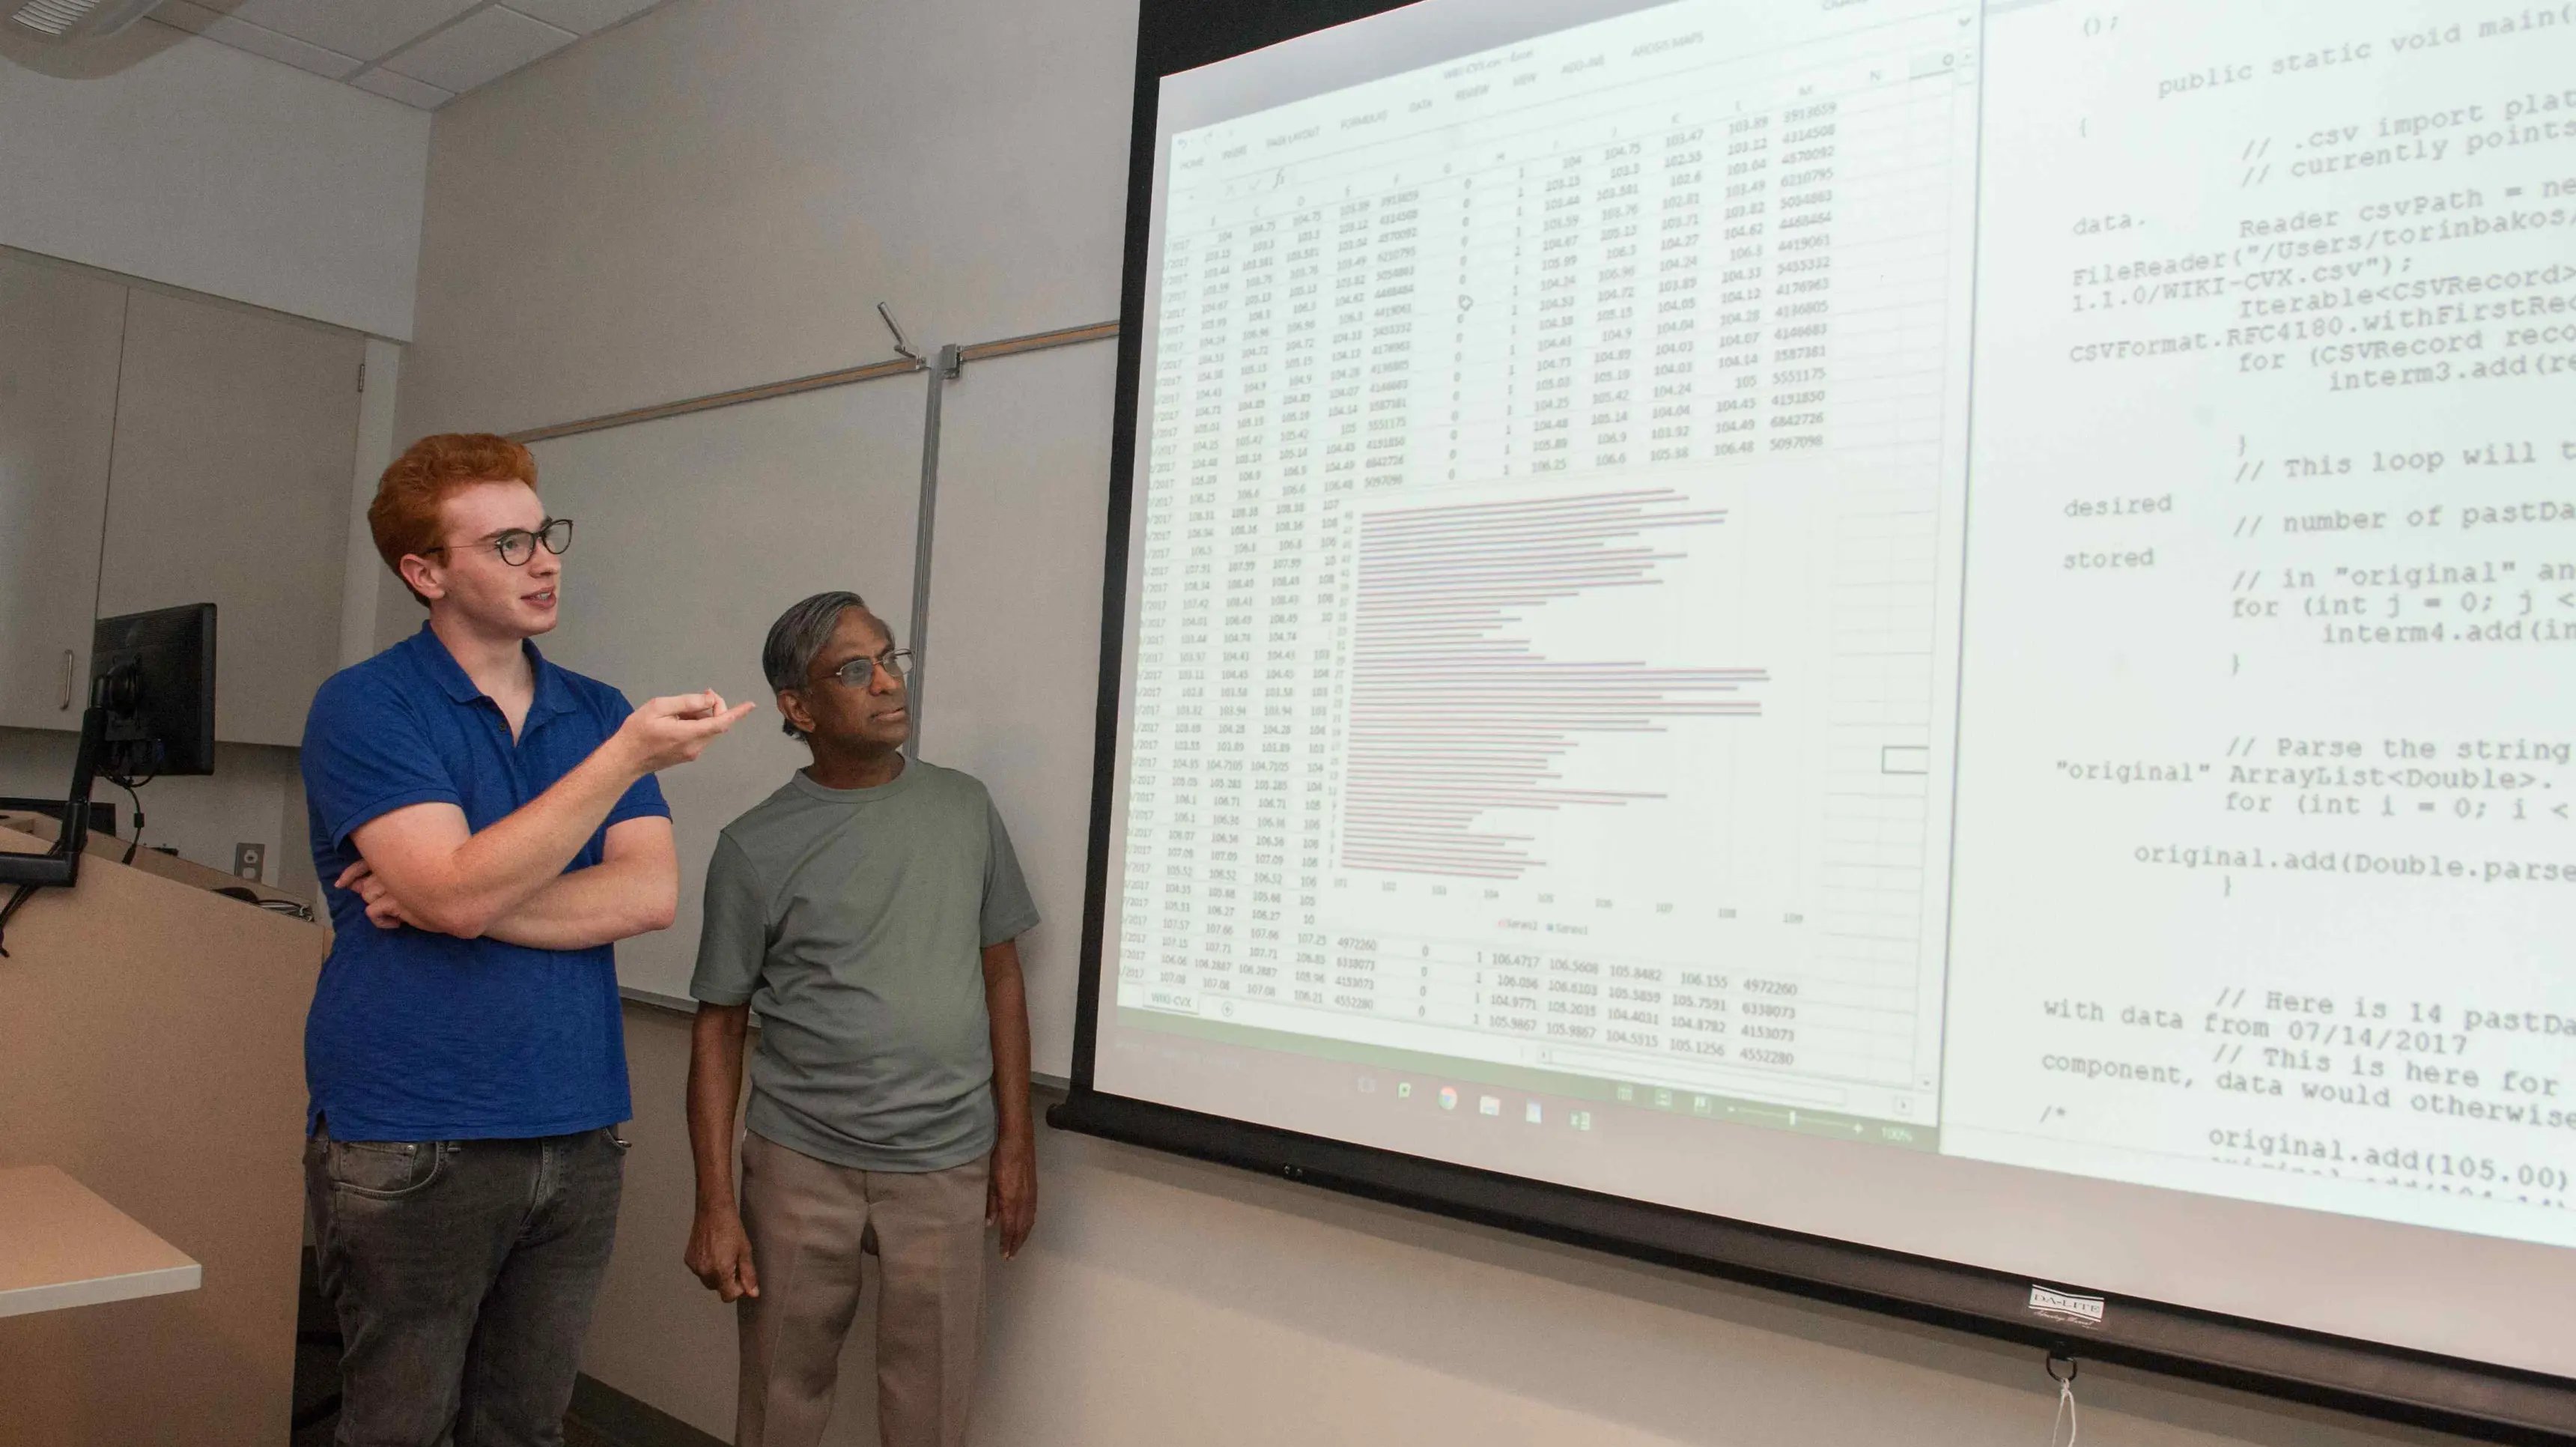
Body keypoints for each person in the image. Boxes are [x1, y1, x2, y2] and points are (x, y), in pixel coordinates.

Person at [298, 432, 755, 1446]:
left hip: (575, 1126)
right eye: (507, 544)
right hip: (413, 1131)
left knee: (526, 1428)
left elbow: (645, 897)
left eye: (544, 534)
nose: (545, 560)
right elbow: (457, 892)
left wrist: (450, 895)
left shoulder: (589, 705)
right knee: (398, 1429)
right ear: (426, 572)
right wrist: (624, 757)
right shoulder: (367, 706)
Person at [684, 590, 1039, 1447]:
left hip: (946, 1161)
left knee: (932, 1408)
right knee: (779, 1401)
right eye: (855, 669)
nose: (888, 683)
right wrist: (714, 1203)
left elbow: (1002, 978)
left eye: (890, 658)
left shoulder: (964, 808)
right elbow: (717, 1028)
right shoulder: (752, 846)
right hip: (800, 1165)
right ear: (797, 708)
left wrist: (1016, 1145)